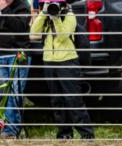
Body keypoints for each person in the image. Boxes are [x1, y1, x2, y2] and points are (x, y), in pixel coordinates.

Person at [30, 0, 94, 139]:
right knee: (56, 100)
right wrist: (43, 13)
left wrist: (56, 18)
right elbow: (33, 34)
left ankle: (87, 135)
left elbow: (63, 36)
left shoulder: (69, 15)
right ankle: (64, 134)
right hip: (49, 62)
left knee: (73, 99)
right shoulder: (45, 16)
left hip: (68, 62)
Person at [0, 0, 31, 138]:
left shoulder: (23, 6)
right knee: (2, 94)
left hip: (17, 54)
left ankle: (11, 131)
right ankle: (4, 128)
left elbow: (20, 27)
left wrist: (5, 10)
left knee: (14, 94)